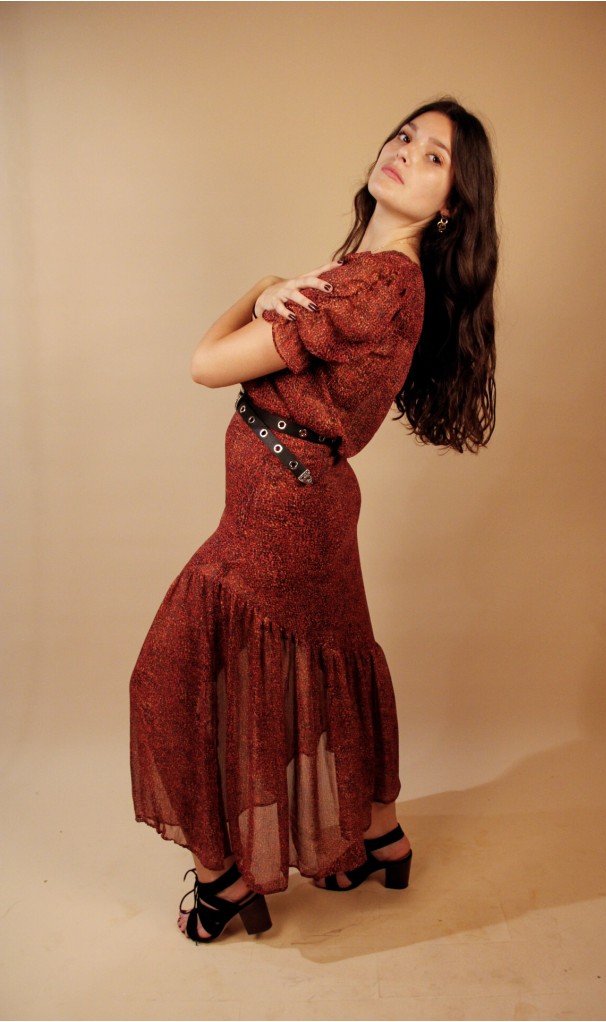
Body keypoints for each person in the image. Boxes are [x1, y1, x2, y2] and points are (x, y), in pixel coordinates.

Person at [129, 97, 498, 944]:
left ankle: (223, 883)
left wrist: (261, 287)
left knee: (167, 680)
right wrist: (277, 291)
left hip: (280, 513)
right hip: (312, 500)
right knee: (330, 667)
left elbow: (206, 363)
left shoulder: (371, 283)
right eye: (405, 134)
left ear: (451, 204)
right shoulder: (384, 277)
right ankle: (379, 839)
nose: (405, 151)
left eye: (434, 156)